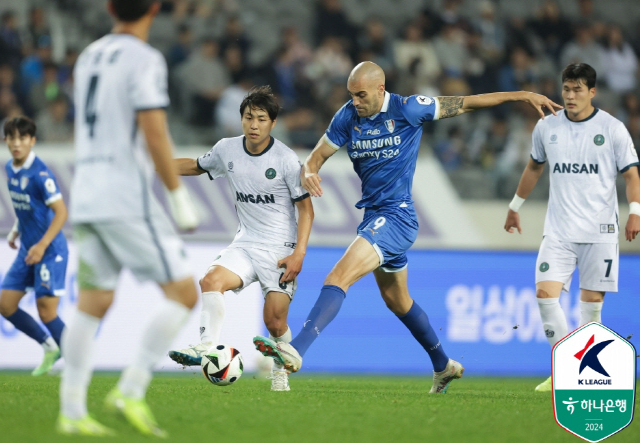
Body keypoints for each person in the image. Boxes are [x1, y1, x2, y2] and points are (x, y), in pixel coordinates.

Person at [253, 61, 562, 393]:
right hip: (374, 216)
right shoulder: (347, 116)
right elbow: (316, 157)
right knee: (397, 301)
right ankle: (444, 365)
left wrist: (523, 94)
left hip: (398, 216)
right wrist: (311, 171)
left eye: (360, 95)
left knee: (337, 276)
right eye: (351, 95)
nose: (355, 101)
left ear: (380, 90)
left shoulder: (409, 108)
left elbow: (469, 102)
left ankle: (295, 350)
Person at [57, 0, 199, 437]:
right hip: (124, 195)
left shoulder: (89, 56)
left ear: (109, 6)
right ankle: (131, 389)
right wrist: (177, 195)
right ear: (154, 9)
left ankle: (72, 413)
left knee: (93, 301)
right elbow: (154, 130)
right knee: (184, 294)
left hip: (88, 192)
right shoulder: (145, 59)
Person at [504, 63, 640, 392]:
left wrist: (635, 211)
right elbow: (534, 168)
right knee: (544, 294)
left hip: (600, 233)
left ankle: (587, 374)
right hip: (559, 231)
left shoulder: (612, 128)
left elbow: (631, 175)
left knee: (591, 311)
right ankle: (564, 369)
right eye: (566, 88)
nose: (569, 95)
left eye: (577, 89)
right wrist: (514, 206)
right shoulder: (547, 127)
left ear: (592, 92)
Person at [168, 86, 314, 392]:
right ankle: (206, 347)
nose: (254, 124)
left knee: (275, 323)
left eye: (261, 119)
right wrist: (160, 165)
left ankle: (280, 371)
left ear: (273, 123)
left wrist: (299, 253)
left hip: (280, 250)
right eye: (249, 117)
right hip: (245, 243)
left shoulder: (286, 160)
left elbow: (306, 210)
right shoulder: (226, 149)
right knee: (210, 281)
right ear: (241, 119)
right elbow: (197, 165)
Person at [0, 115, 68, 377]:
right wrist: (16, 229)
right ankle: (50, 347)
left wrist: (41, 245)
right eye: (12, 138)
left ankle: (75, 363)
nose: (17, 143)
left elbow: (61, 213)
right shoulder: (9, 168)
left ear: (32, 140)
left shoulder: (41, 174)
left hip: (49, 250)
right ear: (5, 140)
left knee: (47, 311)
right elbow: (25, 206)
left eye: (22, 138)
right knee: (6, 306)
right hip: (28, 248)